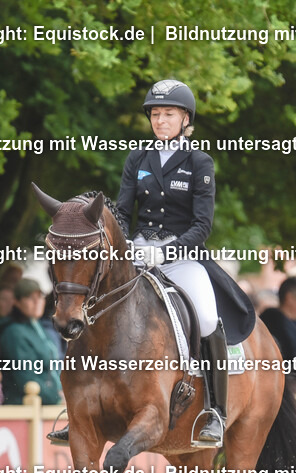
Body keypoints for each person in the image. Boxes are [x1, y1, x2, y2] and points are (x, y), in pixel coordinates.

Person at [97, 78, 255, 447]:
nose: (160, 120)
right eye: (155, 114)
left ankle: (215, 412)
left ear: (186, 119)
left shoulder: (200, 162)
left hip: (182, 257)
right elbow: (122, 211)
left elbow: (203, 225)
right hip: (137, 253)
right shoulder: (138, 157)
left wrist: (167, 252)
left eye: (168, 114)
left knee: (205, 316)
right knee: (100, 305)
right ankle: (87, 405)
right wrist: (124, 242)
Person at [0, 279, 62, 405]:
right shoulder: (14, 332)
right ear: (16, 302)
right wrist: (57, 397)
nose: (37, 302)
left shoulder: (40, 329)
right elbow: (25, 376)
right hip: (24, 407)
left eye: (40, 297)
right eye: (30, 298)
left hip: (47, 405)